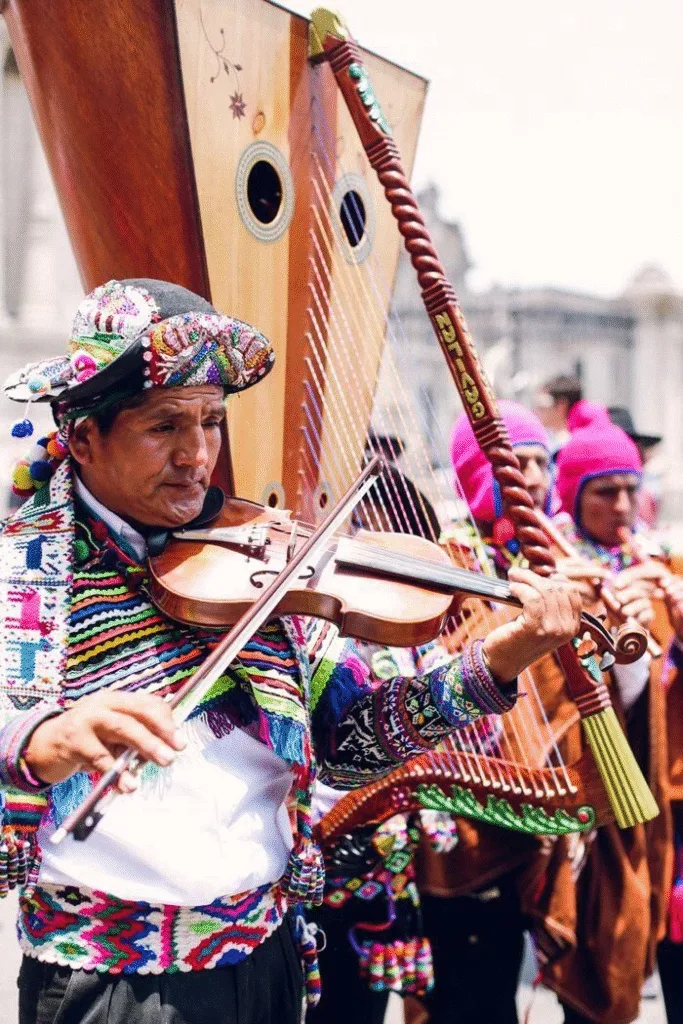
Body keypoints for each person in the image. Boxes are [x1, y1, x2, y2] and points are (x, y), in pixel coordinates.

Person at [0, 280, 584, 1024]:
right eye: (164, 426)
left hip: (270, 959)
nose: (196, 455)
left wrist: (497, 663)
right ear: (82, 437)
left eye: (211, 423)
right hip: (113, 985)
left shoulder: (259, 567)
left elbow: (350, 745)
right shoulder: (19, 577)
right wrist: (36, 742)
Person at [408, 401, 570, 1024]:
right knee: (465, 995)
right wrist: (521, 626)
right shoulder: (445, 562)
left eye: (539, 462)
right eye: (513, 463)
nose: (530, 477)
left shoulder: (549, 560)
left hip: (533, 816)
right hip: (464, 824)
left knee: (500, 984)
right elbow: (434, 665)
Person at [543, 422, 678, 1024]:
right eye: (604, 491)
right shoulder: (552, 568)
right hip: (589, 791)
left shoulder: (660, 564)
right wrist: (605, 618)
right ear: (572, 495)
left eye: (630, 489)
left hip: (658, 789)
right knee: (599, 944)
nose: (621, 506)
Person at [534, 375, 583, 456]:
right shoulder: (542, 438)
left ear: (561, 405)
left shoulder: (572, 444)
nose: (537, 411)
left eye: (542, 404)